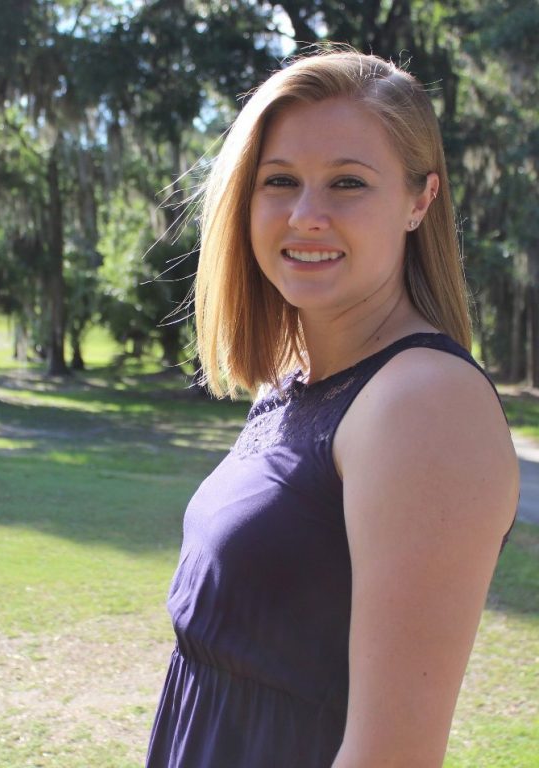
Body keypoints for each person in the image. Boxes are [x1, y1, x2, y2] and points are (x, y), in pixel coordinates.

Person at [145, 49, 519, 768]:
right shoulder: (293, 382)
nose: (306, 215)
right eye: (279, 181)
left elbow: (393, 755)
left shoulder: (424, 404)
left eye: (348, 183)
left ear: (420, 200)